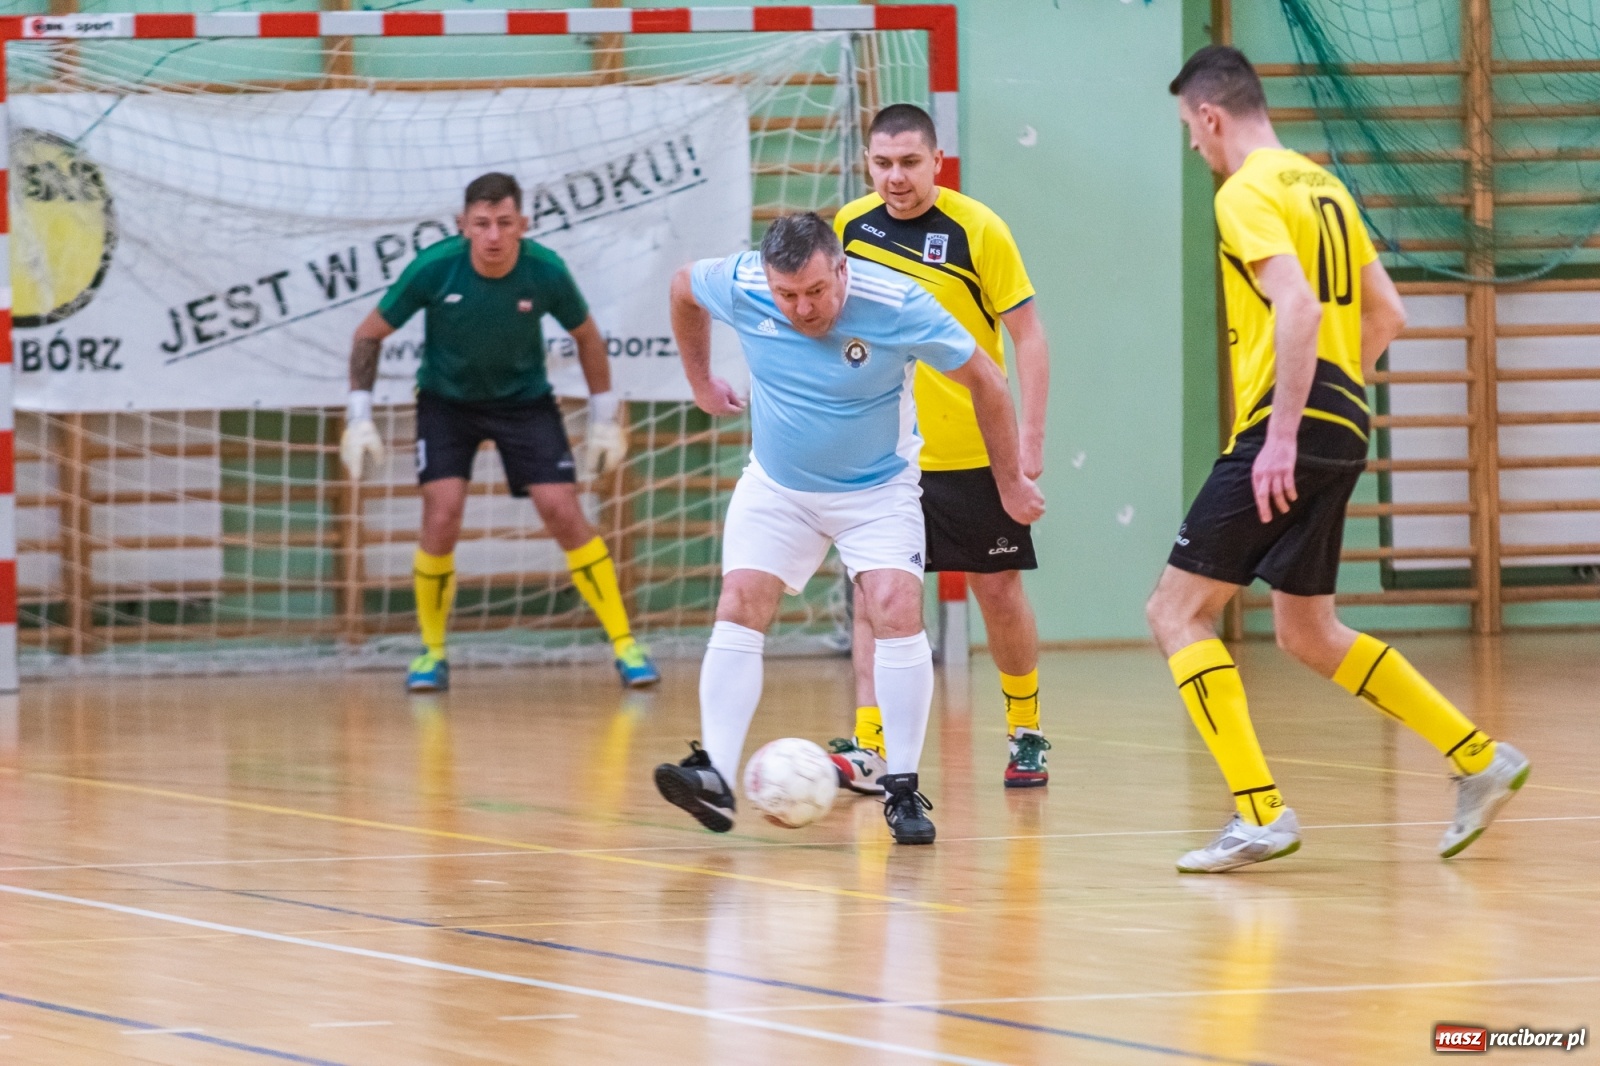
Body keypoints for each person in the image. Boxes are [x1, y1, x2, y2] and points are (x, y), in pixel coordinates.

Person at [1147, 46, 1529, 873]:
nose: (1193, 144)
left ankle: (1259, 814)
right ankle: (1476, 757)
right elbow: (1387, 312)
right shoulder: (1324, 186)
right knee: (1307, 629)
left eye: (1188, 128)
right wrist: (1331, 399)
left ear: (1210, 116)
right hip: (1348, 412)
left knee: (1175, 611)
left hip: (1288, 420)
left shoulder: (1243, 192)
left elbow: (1298, 306)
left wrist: (1285, 433)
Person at [652, 213, 1044, 844]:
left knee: (895, 607)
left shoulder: (896, 303)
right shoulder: (742, 282)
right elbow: (681, 287)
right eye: (787, 296)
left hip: (876, 491)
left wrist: (1010, 484)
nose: (803, 309)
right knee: (740, 601)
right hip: (779, 486)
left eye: (816, 291)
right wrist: (700, 382)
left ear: (842, 269)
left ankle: (902, 787)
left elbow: (987, 379)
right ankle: (715, 776)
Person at [340, 172, 660, 693]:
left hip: (523, 402)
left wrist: (605, 417)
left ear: (523, 224)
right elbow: (368, 334)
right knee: (441, 514)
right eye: (483, 223)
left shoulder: (545, 270)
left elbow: (587, 337)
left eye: (504, 223)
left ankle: (626, 646)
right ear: (463, 225)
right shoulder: (434, 267)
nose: (493, 235)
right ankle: (431, 653)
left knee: (563, 510)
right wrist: (359, 415)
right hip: (447, 404)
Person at [827, 104, 1054, 792]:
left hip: (974, 451)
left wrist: (1029, 440)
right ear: (868, 164)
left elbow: (1029, 336)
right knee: (876, 596)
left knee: (998, 590)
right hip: (885, 456)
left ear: (937, 163)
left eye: (909, 163)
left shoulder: (977, 229)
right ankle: (871, 746)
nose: (895, 177)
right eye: (883, 163)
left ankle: (1025, 731)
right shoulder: (849, 227)